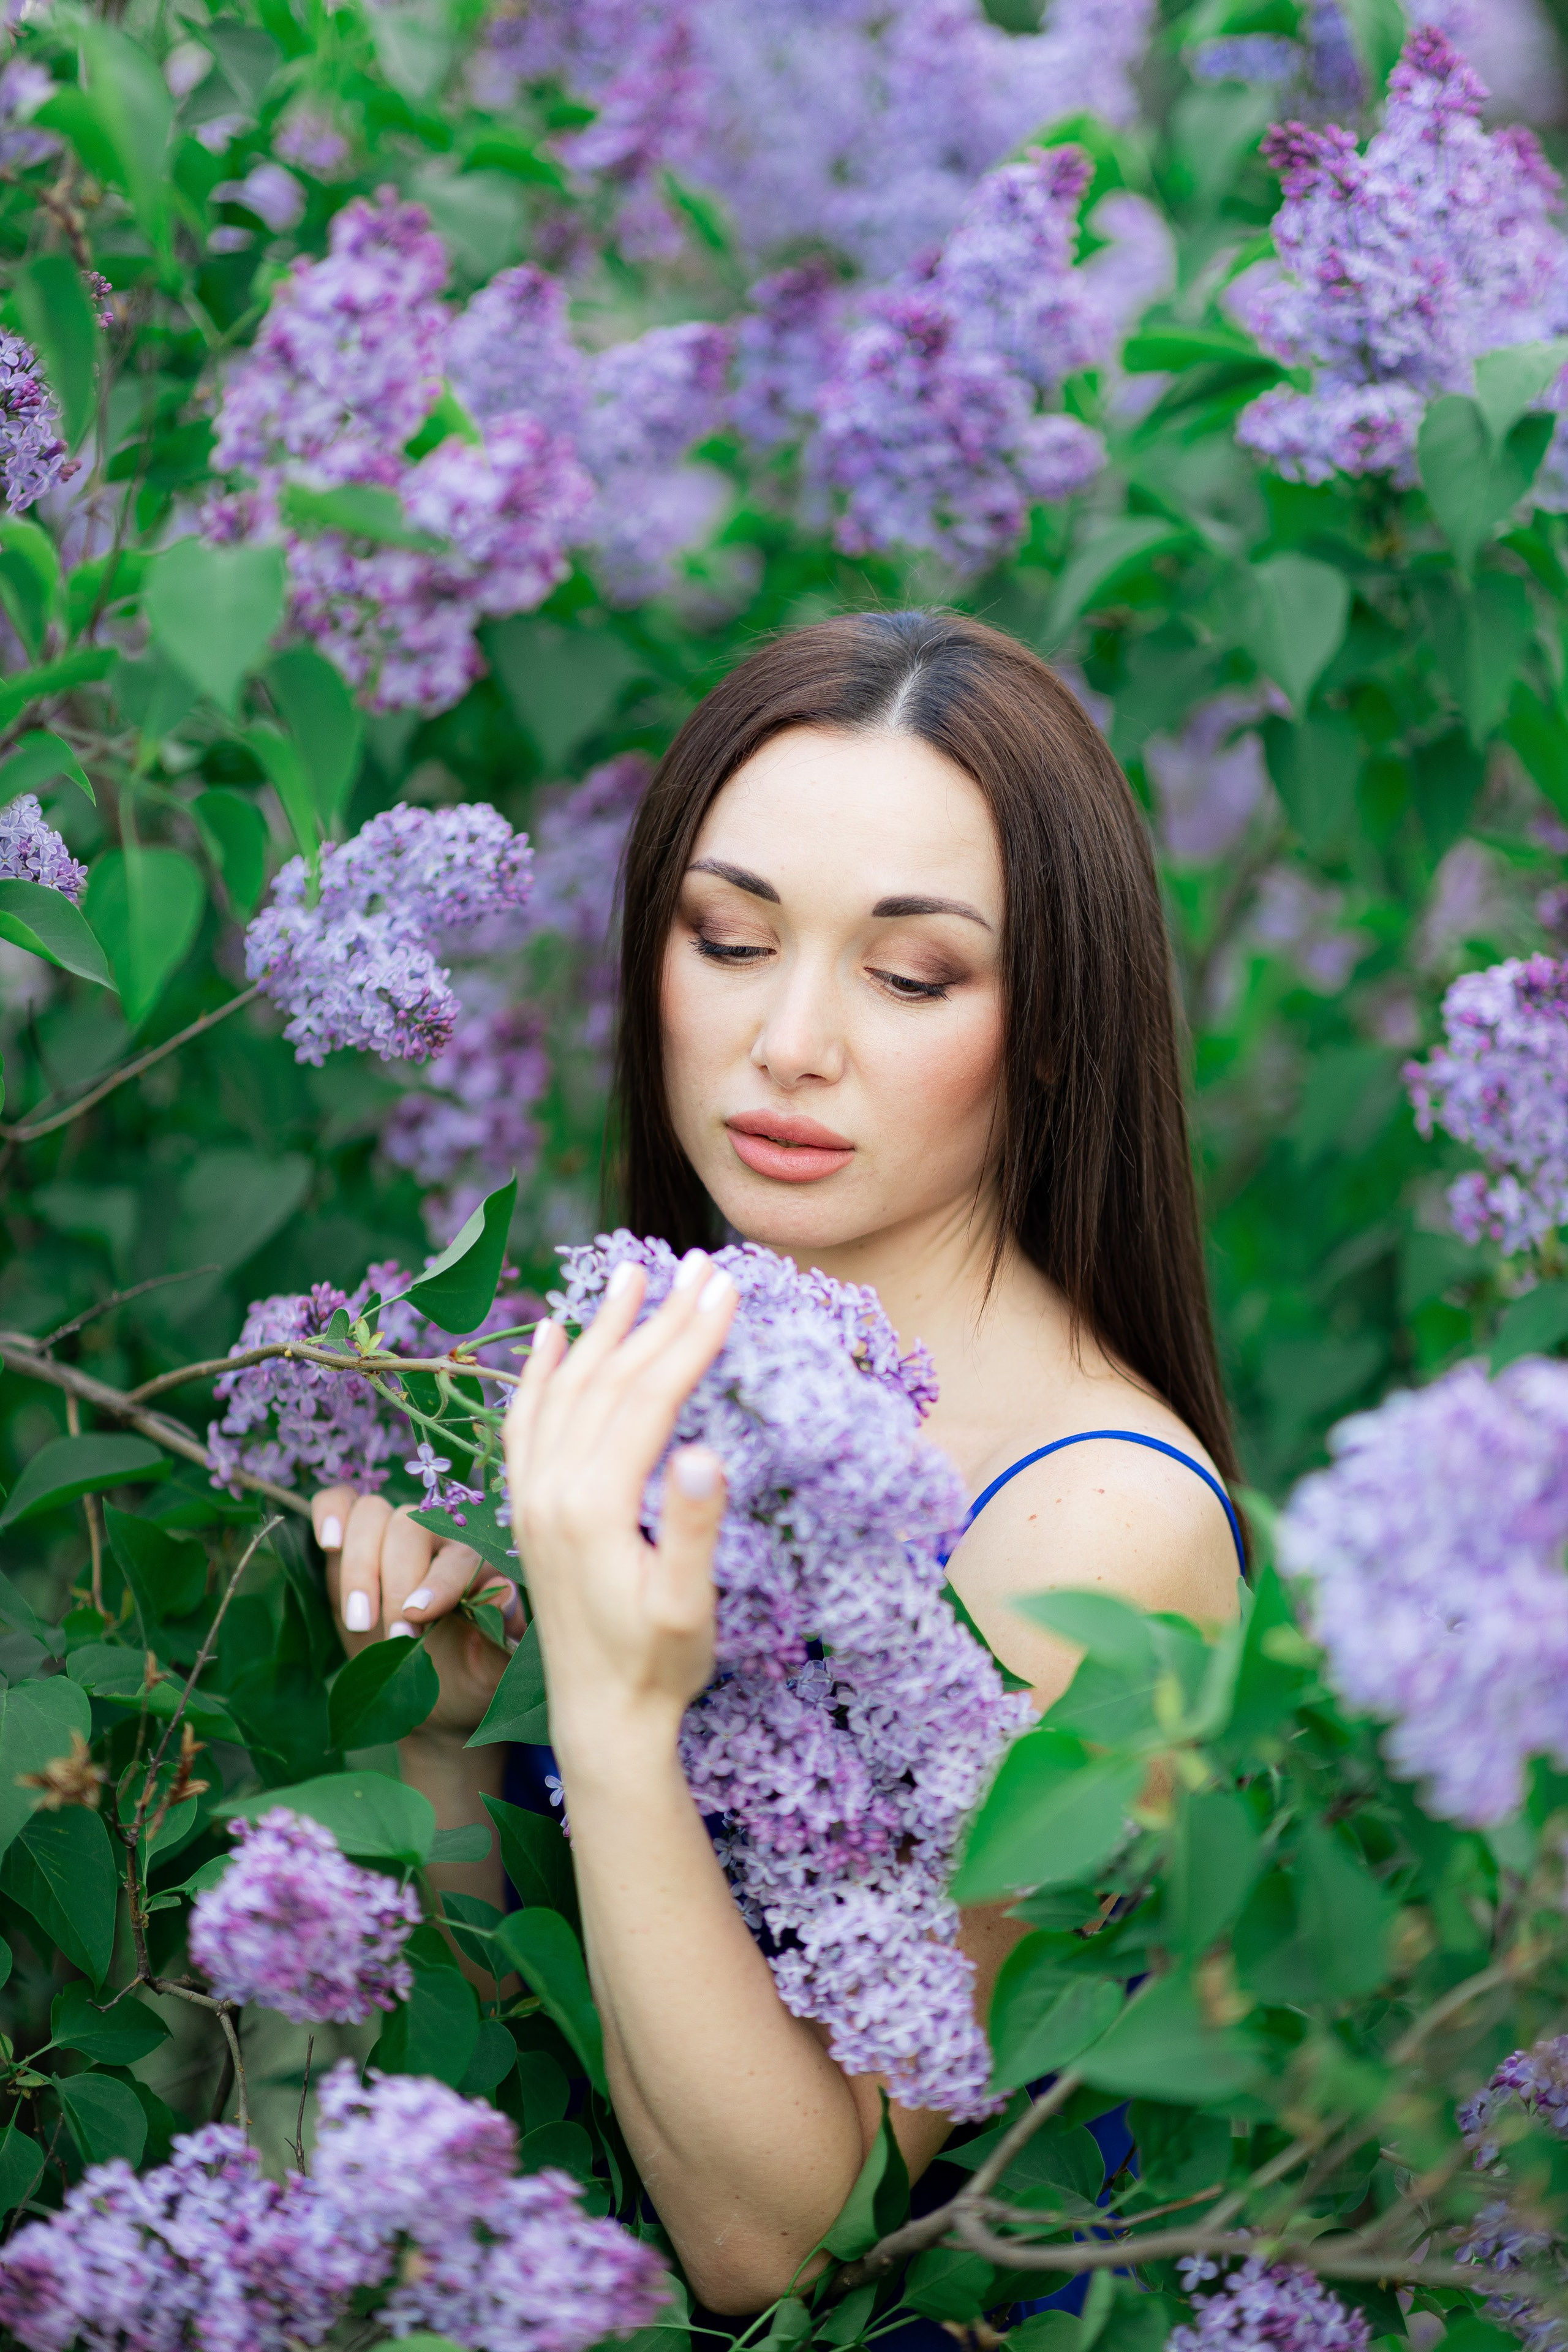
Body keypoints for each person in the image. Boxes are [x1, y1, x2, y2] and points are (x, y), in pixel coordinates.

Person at [309, 611, 1245, 2316]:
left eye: (908, 975)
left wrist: (608, 1700)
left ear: (1047, 1025)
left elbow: (777, 2246)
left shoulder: (1094, 1525)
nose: (790, 1041)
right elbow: (549, 2099)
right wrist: (451, 1741)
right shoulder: (642, 1376)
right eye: (729, 941)